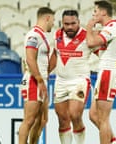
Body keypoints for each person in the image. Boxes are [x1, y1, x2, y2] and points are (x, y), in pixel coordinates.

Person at [86, 1, 116, 144]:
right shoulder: (112, 29)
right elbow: (105, 53)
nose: (93, 14)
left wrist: (88, 28)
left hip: (108, 74)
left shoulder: (112, 28)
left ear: (104, 13)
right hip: (108, 71)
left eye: (95, 11)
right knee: (93, 115)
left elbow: (91, 43)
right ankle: (111, 138)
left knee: (103, 118)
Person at [52, 10, 92, 144]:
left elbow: (103, 54)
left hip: (80, 81)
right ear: (62, 23)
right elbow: (54, 55)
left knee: (75, 115)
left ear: (79, 22)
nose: (69, 27)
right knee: (62, 120)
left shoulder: (88, 36)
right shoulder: (57, 34)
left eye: (73, 23)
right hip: (61, 81)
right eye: (66, 24)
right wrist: (45, 72)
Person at [19, 7, 55, 144]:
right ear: (47, 18)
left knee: (42, 121)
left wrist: (57, 53)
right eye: (53, 20)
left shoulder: (41, 36)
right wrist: (39, 80)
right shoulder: (33, 35)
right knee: (29, 120)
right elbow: (30, 58)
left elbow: (45, 63)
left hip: (42, 81)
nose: (53, 23)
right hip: (34, 81)